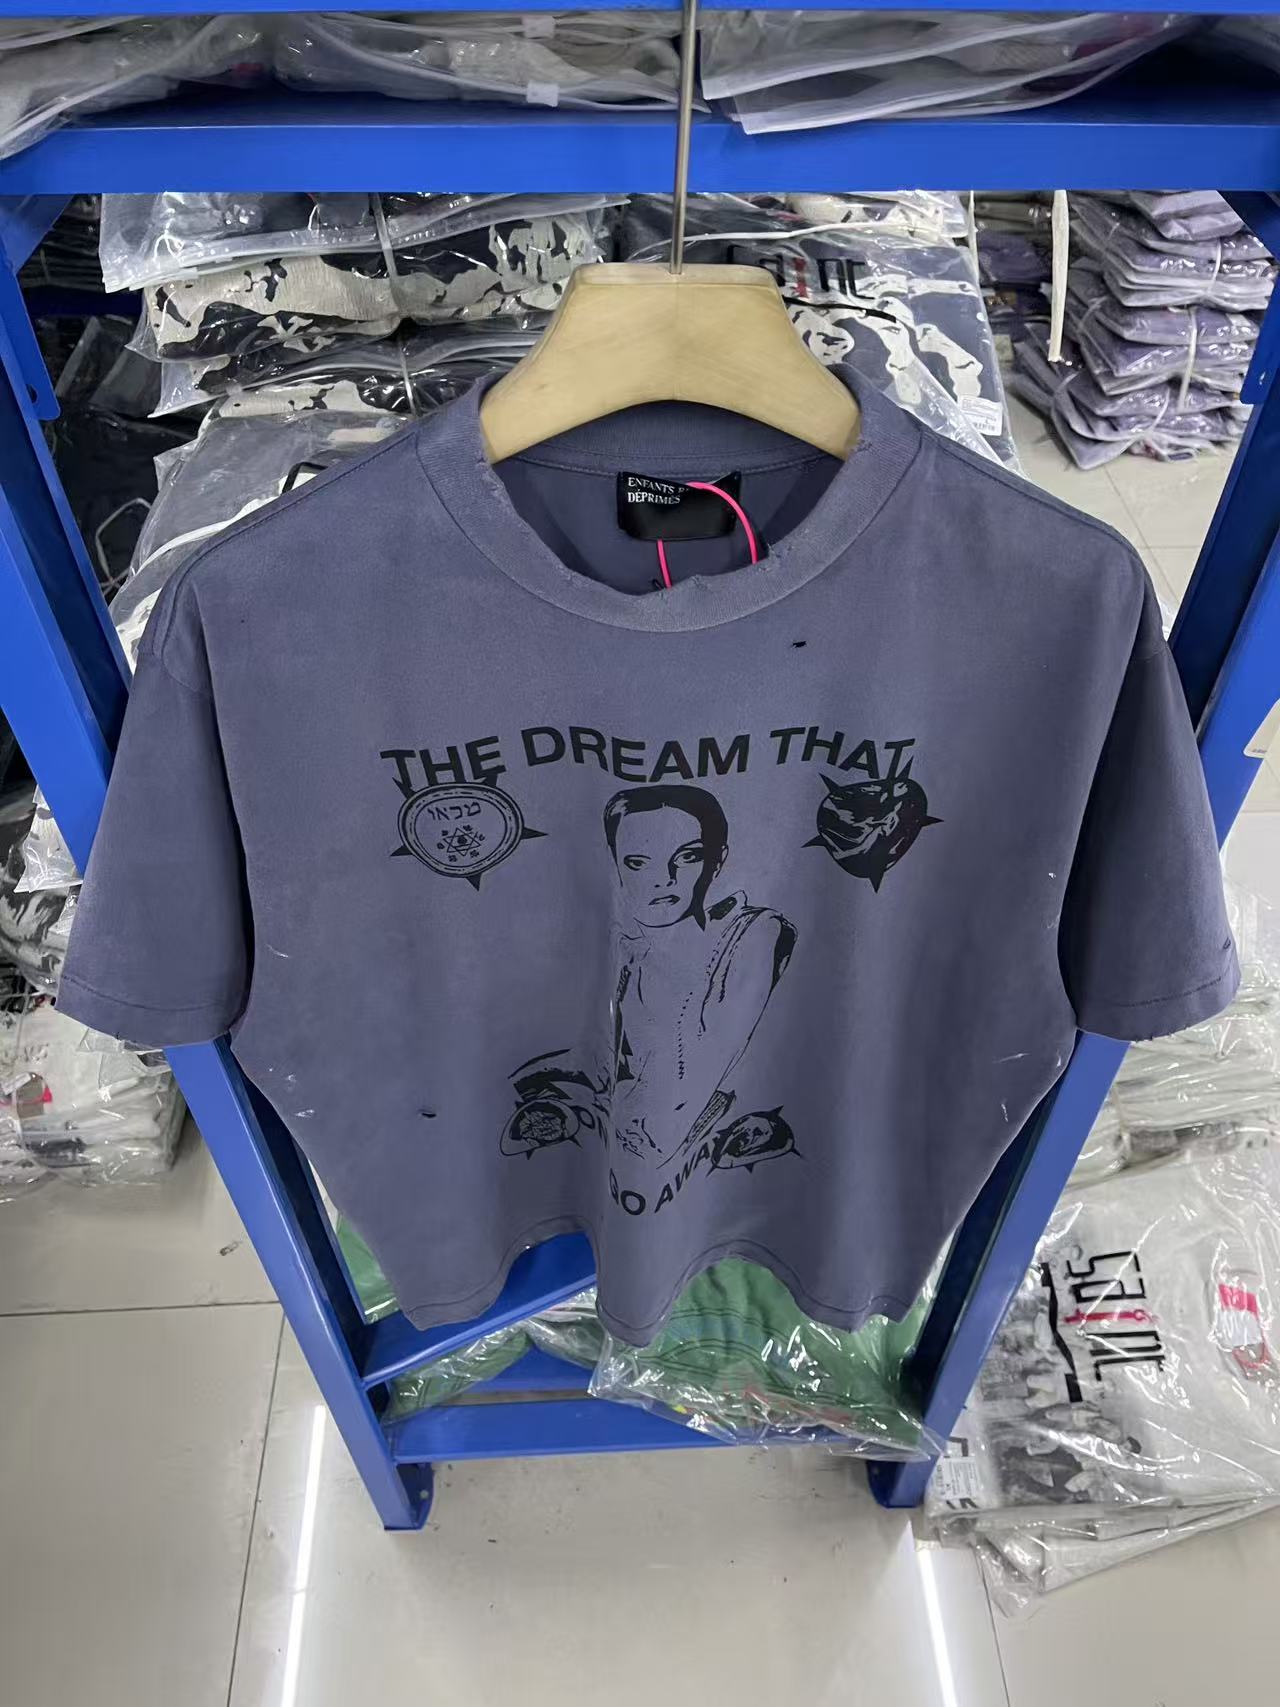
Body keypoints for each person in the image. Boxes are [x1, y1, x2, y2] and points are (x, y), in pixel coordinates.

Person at [603, 784, 795, 1166]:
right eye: (637, 862)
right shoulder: (626, 950)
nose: (664, 878)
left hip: (692, 1155)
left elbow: (672, 1113)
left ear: (717, 860)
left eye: (687, 856)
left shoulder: (753, 933)